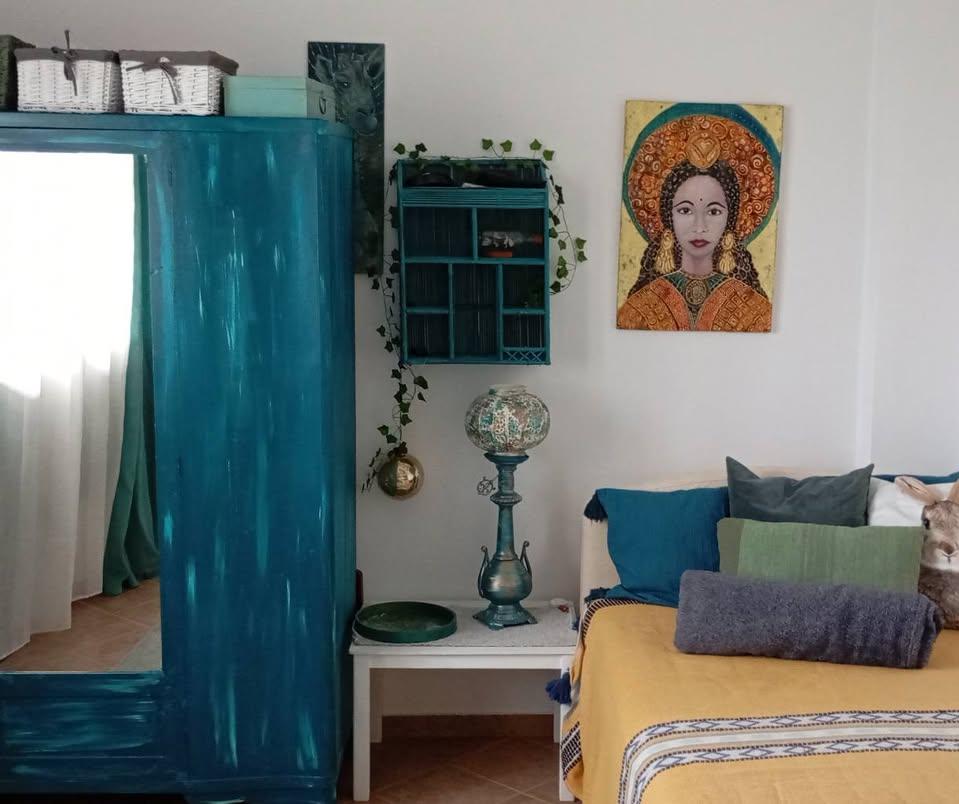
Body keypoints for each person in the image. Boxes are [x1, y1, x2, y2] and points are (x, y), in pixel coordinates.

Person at [617, 157, 772, 332]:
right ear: (669, 218)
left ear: (729, 220)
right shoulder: (640, 307)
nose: (699, 227)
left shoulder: (754, 310)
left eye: (714, 211)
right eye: (685, 210)